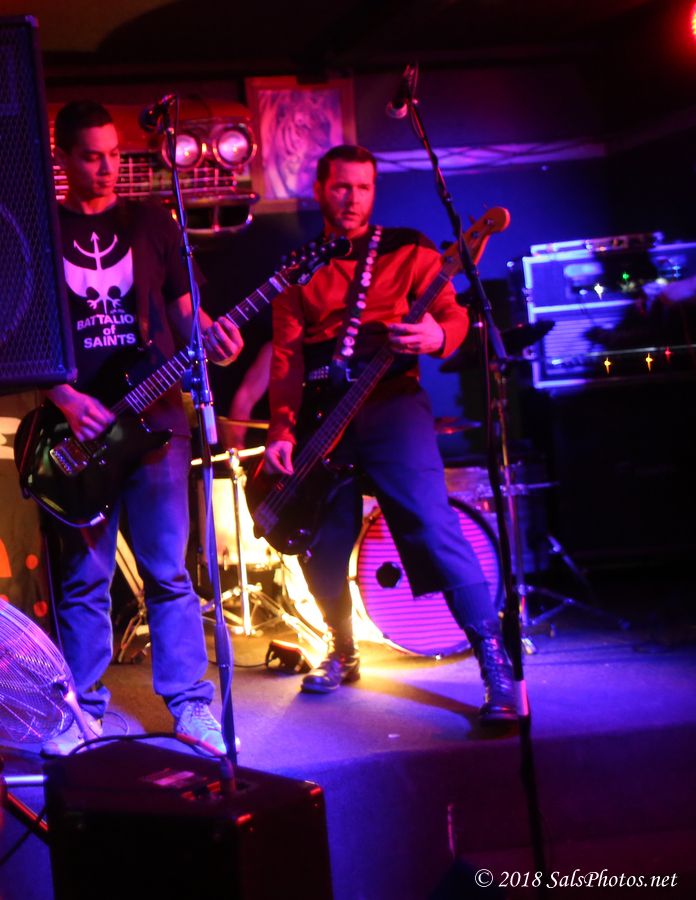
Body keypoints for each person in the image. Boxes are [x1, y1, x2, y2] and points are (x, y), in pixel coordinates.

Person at [262, 144, 516, 724]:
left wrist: (436, 337)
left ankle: (493, 658)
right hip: (323, 416)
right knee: (320, 541)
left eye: (363, 188)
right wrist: (282, 428)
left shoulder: (410, 248)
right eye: (340, 187)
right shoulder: (299, 266)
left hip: (392, 403)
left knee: (433, 526)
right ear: (319, 190)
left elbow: (452, 314)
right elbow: (287, 357)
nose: (352, 199)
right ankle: (342, 649)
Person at [41, 101, 243, 755]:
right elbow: (20, 336)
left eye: (113, 155)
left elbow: (187, 317)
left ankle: (190, 707)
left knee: (169, 571)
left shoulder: (152, 221)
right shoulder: (39, 233)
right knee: (85, 580)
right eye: (91, 156)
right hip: (82, 426)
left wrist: (216, 341)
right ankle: (82, 713)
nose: (107, 168)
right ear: (62, 157)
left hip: (158, 419)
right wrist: (64, 398)